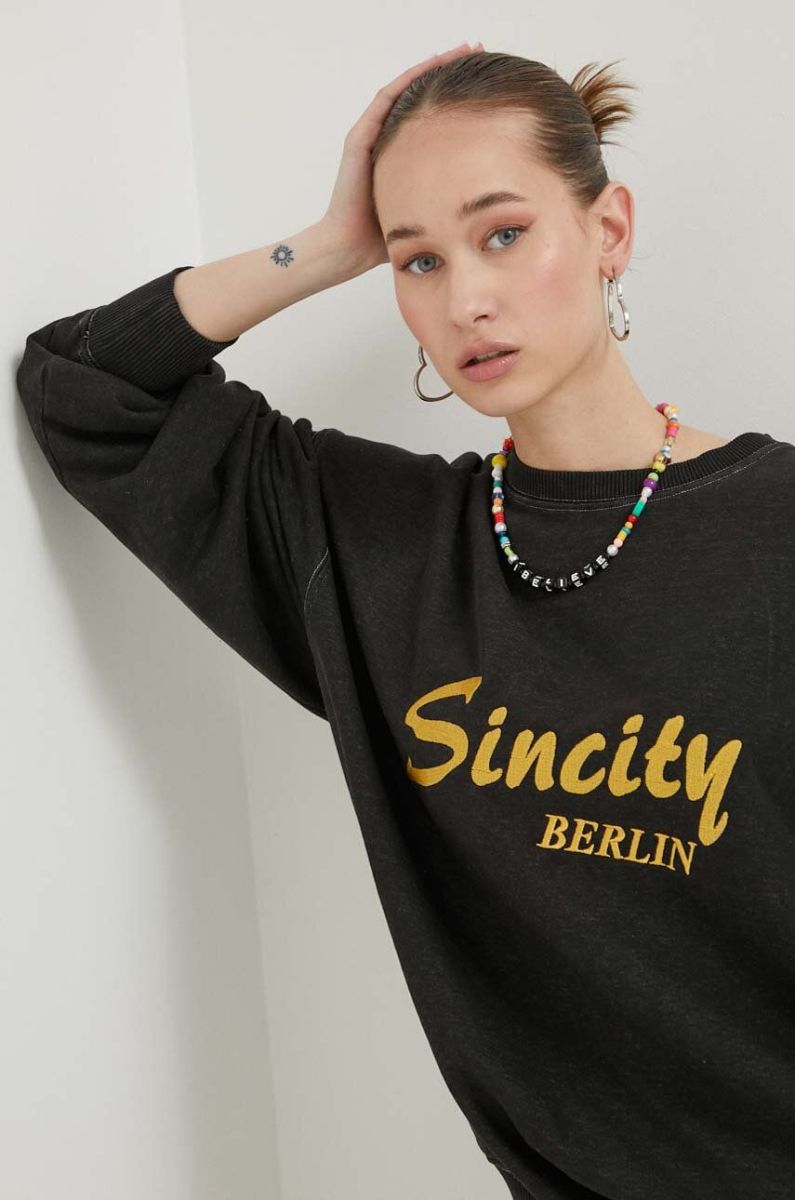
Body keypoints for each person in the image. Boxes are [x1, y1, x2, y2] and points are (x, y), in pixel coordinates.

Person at [17, 41, 795, 1200]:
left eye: (503, 233)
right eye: (418, 260)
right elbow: (86, 388)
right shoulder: (373, 545)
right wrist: (331, 244)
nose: (463, 298)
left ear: (609, 231)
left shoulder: (777, 530)